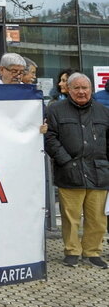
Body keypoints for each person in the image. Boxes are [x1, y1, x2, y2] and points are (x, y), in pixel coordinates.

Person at [44, 73, 109, 269]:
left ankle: (92, 252)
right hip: (70, 171)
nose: (81, 92)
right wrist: (65, 161)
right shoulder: (55, 109)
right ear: (69, 90)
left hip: (99, 172)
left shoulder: (103, 111)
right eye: (77, 88)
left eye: (85, 88)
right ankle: (72, 251)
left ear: (91, 89)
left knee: (97, 217)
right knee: (70, 217)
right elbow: (50, 138)